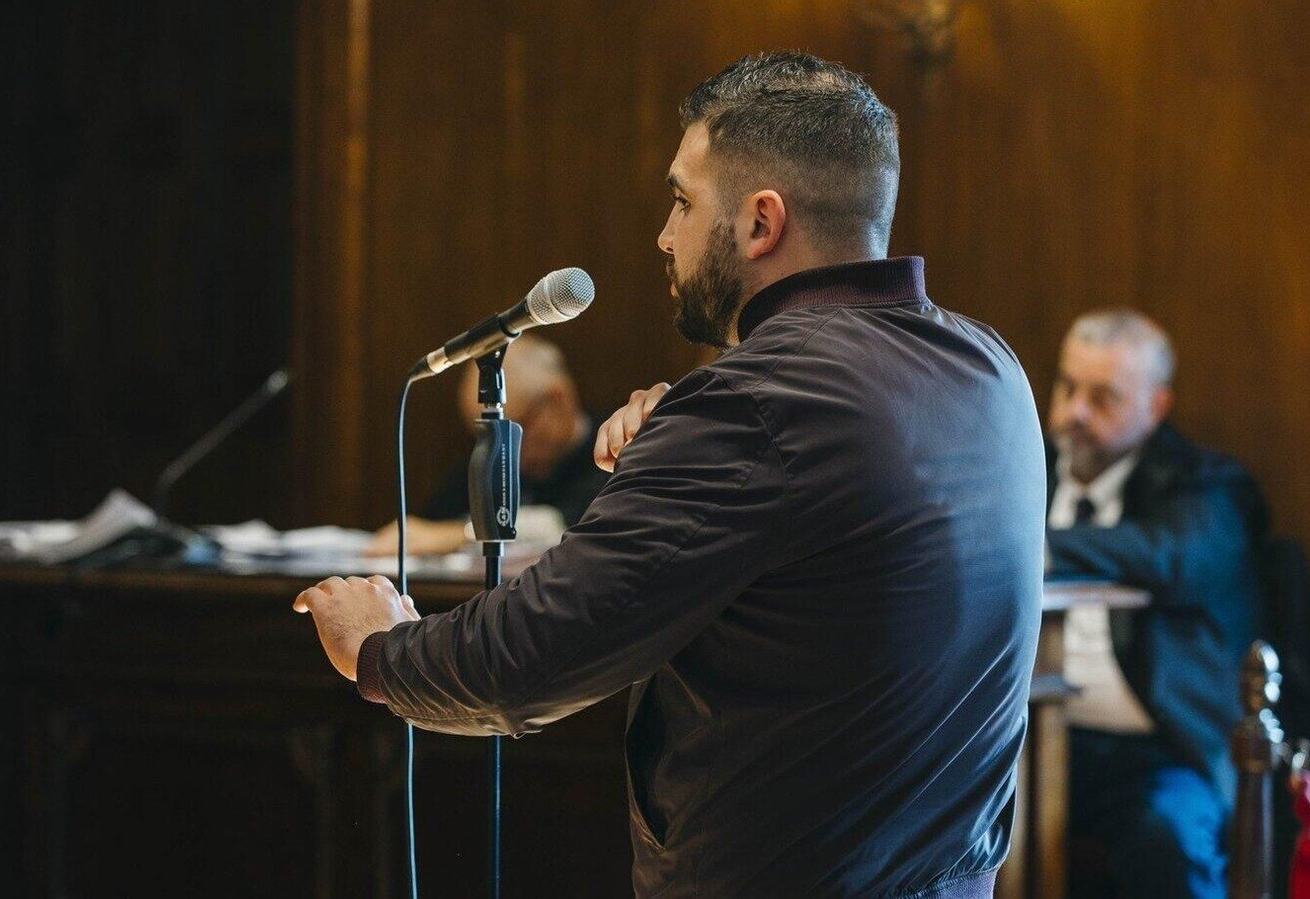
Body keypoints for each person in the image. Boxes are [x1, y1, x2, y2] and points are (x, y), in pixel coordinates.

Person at [293, 52, 1045, 898]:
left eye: (684, 201)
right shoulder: (990, 368)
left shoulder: (760, 405)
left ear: (761, 222)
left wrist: (381, 651)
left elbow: (530, 656)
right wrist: (681, 440)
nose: (664, 233)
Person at [1043, 309, 1267, 899]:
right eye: (1067, 388)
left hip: (1156, 753)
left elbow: (1174, 556)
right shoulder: (1018, 469)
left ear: (1157, 406)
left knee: (1169, 839)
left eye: (1103, 398)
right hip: (1022, 744)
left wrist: (1034, 546)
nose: (1075, 415)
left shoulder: (1205, 483)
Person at [365, 335, 608, 556]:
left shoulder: (612, 452)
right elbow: (430, 525)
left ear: (558, 399)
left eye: (512, 429)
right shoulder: (488, 455)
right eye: (484, 435)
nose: (501, 448)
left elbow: (565, 524)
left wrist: (461, 535)